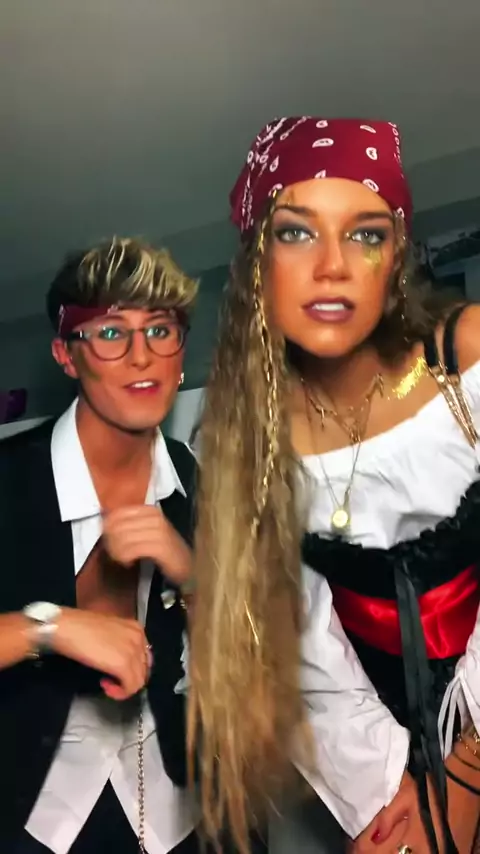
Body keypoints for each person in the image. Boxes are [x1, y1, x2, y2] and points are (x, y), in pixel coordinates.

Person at [188, 117, 480, 854]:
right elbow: (301, 643)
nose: (332, 266)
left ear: (396, 256)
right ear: (258, 262)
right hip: (384, 754)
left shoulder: (467, 360)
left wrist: (467, 771)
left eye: (365, 234)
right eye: (296, 232)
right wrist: (388, 792)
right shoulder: (248, 439)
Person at [0, 237, 203, 853]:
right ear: (67, 355)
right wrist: (47, 628)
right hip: (31, 809)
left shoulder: (195, 481)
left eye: (160, 330)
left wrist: (191, 571)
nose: (142, 356)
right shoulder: (9, 480)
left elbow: (258, 647)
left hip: (175, 802)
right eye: (112, 333)